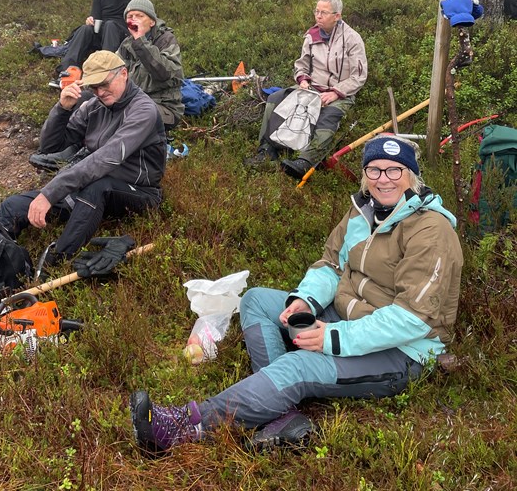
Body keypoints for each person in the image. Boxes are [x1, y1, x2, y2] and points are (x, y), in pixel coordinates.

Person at [130, 134, 463, 453]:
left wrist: (333, 338)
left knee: (297, 367)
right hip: (347, 314)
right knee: (257, 299)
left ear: (412, 177)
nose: (383, 179)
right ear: (365, 175)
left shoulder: (430, 230)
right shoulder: (363, 211)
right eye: (374, 169)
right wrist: (304, 300)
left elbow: (411, 319)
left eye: (395, 170)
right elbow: (331, 264)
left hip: (402, 351)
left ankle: (185, 426)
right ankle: (281, 412)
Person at [0, 50, 166, 264]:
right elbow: (50, 147)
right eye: (94, 87)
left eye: (104, 84)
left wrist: (51, 192)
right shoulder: (94, 106)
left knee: (97, 187)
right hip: (89, 184)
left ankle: (57, 259)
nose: (100, 92)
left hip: (139, 191)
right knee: (11, 207)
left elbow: (106, 158)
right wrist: (62, 109)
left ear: (123, 73)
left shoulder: (143, 111)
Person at [245, 0, 367, 179]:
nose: (318, 16)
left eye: (324, 12)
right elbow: (301, 64)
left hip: (340, 93)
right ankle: (266, 151)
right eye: (316, 11)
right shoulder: (312, 35)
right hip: (311, 87)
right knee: (275, 99)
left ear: (337, 16)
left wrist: (336, 93)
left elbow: (359, 75)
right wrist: (303, 80)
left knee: (328, 116)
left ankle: (305, 162)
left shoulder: (352, 39)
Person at [49, 0, 140, 88]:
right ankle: (66, 73)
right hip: (103, 33)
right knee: (85, 29)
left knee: (110, 25)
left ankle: (107, 73)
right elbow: (96, 18)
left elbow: (136, 15)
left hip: (123, 34)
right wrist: (90, 20)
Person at [118, 0, 184, 130]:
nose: (134, 19)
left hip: (164, 108)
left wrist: (140, 42)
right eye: (130, 16)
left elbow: (164, 73)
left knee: (129, 114)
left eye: (139, 15)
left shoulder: (166, 40)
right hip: (131, 102)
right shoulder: (126, 44)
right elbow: (111, 70)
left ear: (152, 22)